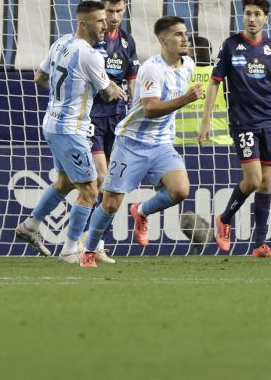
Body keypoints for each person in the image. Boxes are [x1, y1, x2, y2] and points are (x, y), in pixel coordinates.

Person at [80, 16, 203, 267]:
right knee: (111, 204)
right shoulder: (152, 68)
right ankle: (89, 250)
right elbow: (150, 108)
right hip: (132, 143)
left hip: (161, 144)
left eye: (185, 33)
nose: (185, 38)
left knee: (180, 190)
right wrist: (187, 99)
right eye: (178, 34)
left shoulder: (189, 64)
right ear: (162, 39)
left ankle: (142, 211)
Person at [198, 0, 271, 258]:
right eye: (248, 13)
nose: (251, 18)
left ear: (265, 18)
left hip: (268, 123)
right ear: (243, 16)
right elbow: (215, 83)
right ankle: (225, 220)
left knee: (266, 184)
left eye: (257, 14)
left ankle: (260, 245)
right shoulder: (230, 46)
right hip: (243, 122)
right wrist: (206, 122)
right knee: (253, 179)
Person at [15, 0, 126, 261]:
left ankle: (30, 226)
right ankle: (69, 250)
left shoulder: (60, 43)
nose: (105, 25)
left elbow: (39, 78)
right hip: (70, 129)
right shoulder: (90, 55)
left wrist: (63, 98)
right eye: (99, 21)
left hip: (52, 123)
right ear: (83, 23)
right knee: (89, 190)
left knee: (65, 182)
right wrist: (119, 90)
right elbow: (108, 93)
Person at [80, 0, 138, 264]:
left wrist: (133, 111)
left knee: (111, 184)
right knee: (101, 179)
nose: (113, 17)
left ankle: (92, 241)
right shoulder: (91, 42)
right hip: (91, 118)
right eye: (109, 11)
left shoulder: (128, 42)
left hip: (118, 119)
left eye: (118, 11)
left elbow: (132, 80)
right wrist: (106, 86)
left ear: (125, 9)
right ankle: (85, 241)